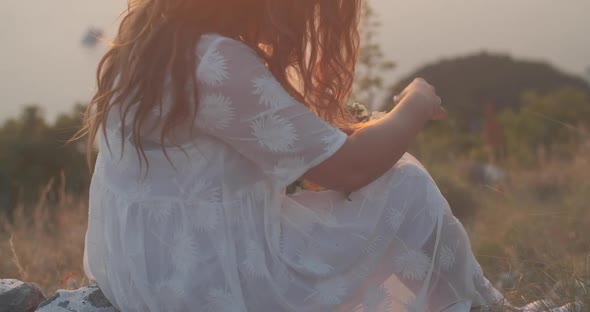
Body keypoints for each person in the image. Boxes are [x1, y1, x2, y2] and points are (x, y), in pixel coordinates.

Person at [80, 0, 505, 311]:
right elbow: (348, 168)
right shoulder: (215, 60)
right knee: (406, 184)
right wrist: (415, 103)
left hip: (146, 271)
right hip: (215, 288)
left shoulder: (150, 43)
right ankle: (474, 306)